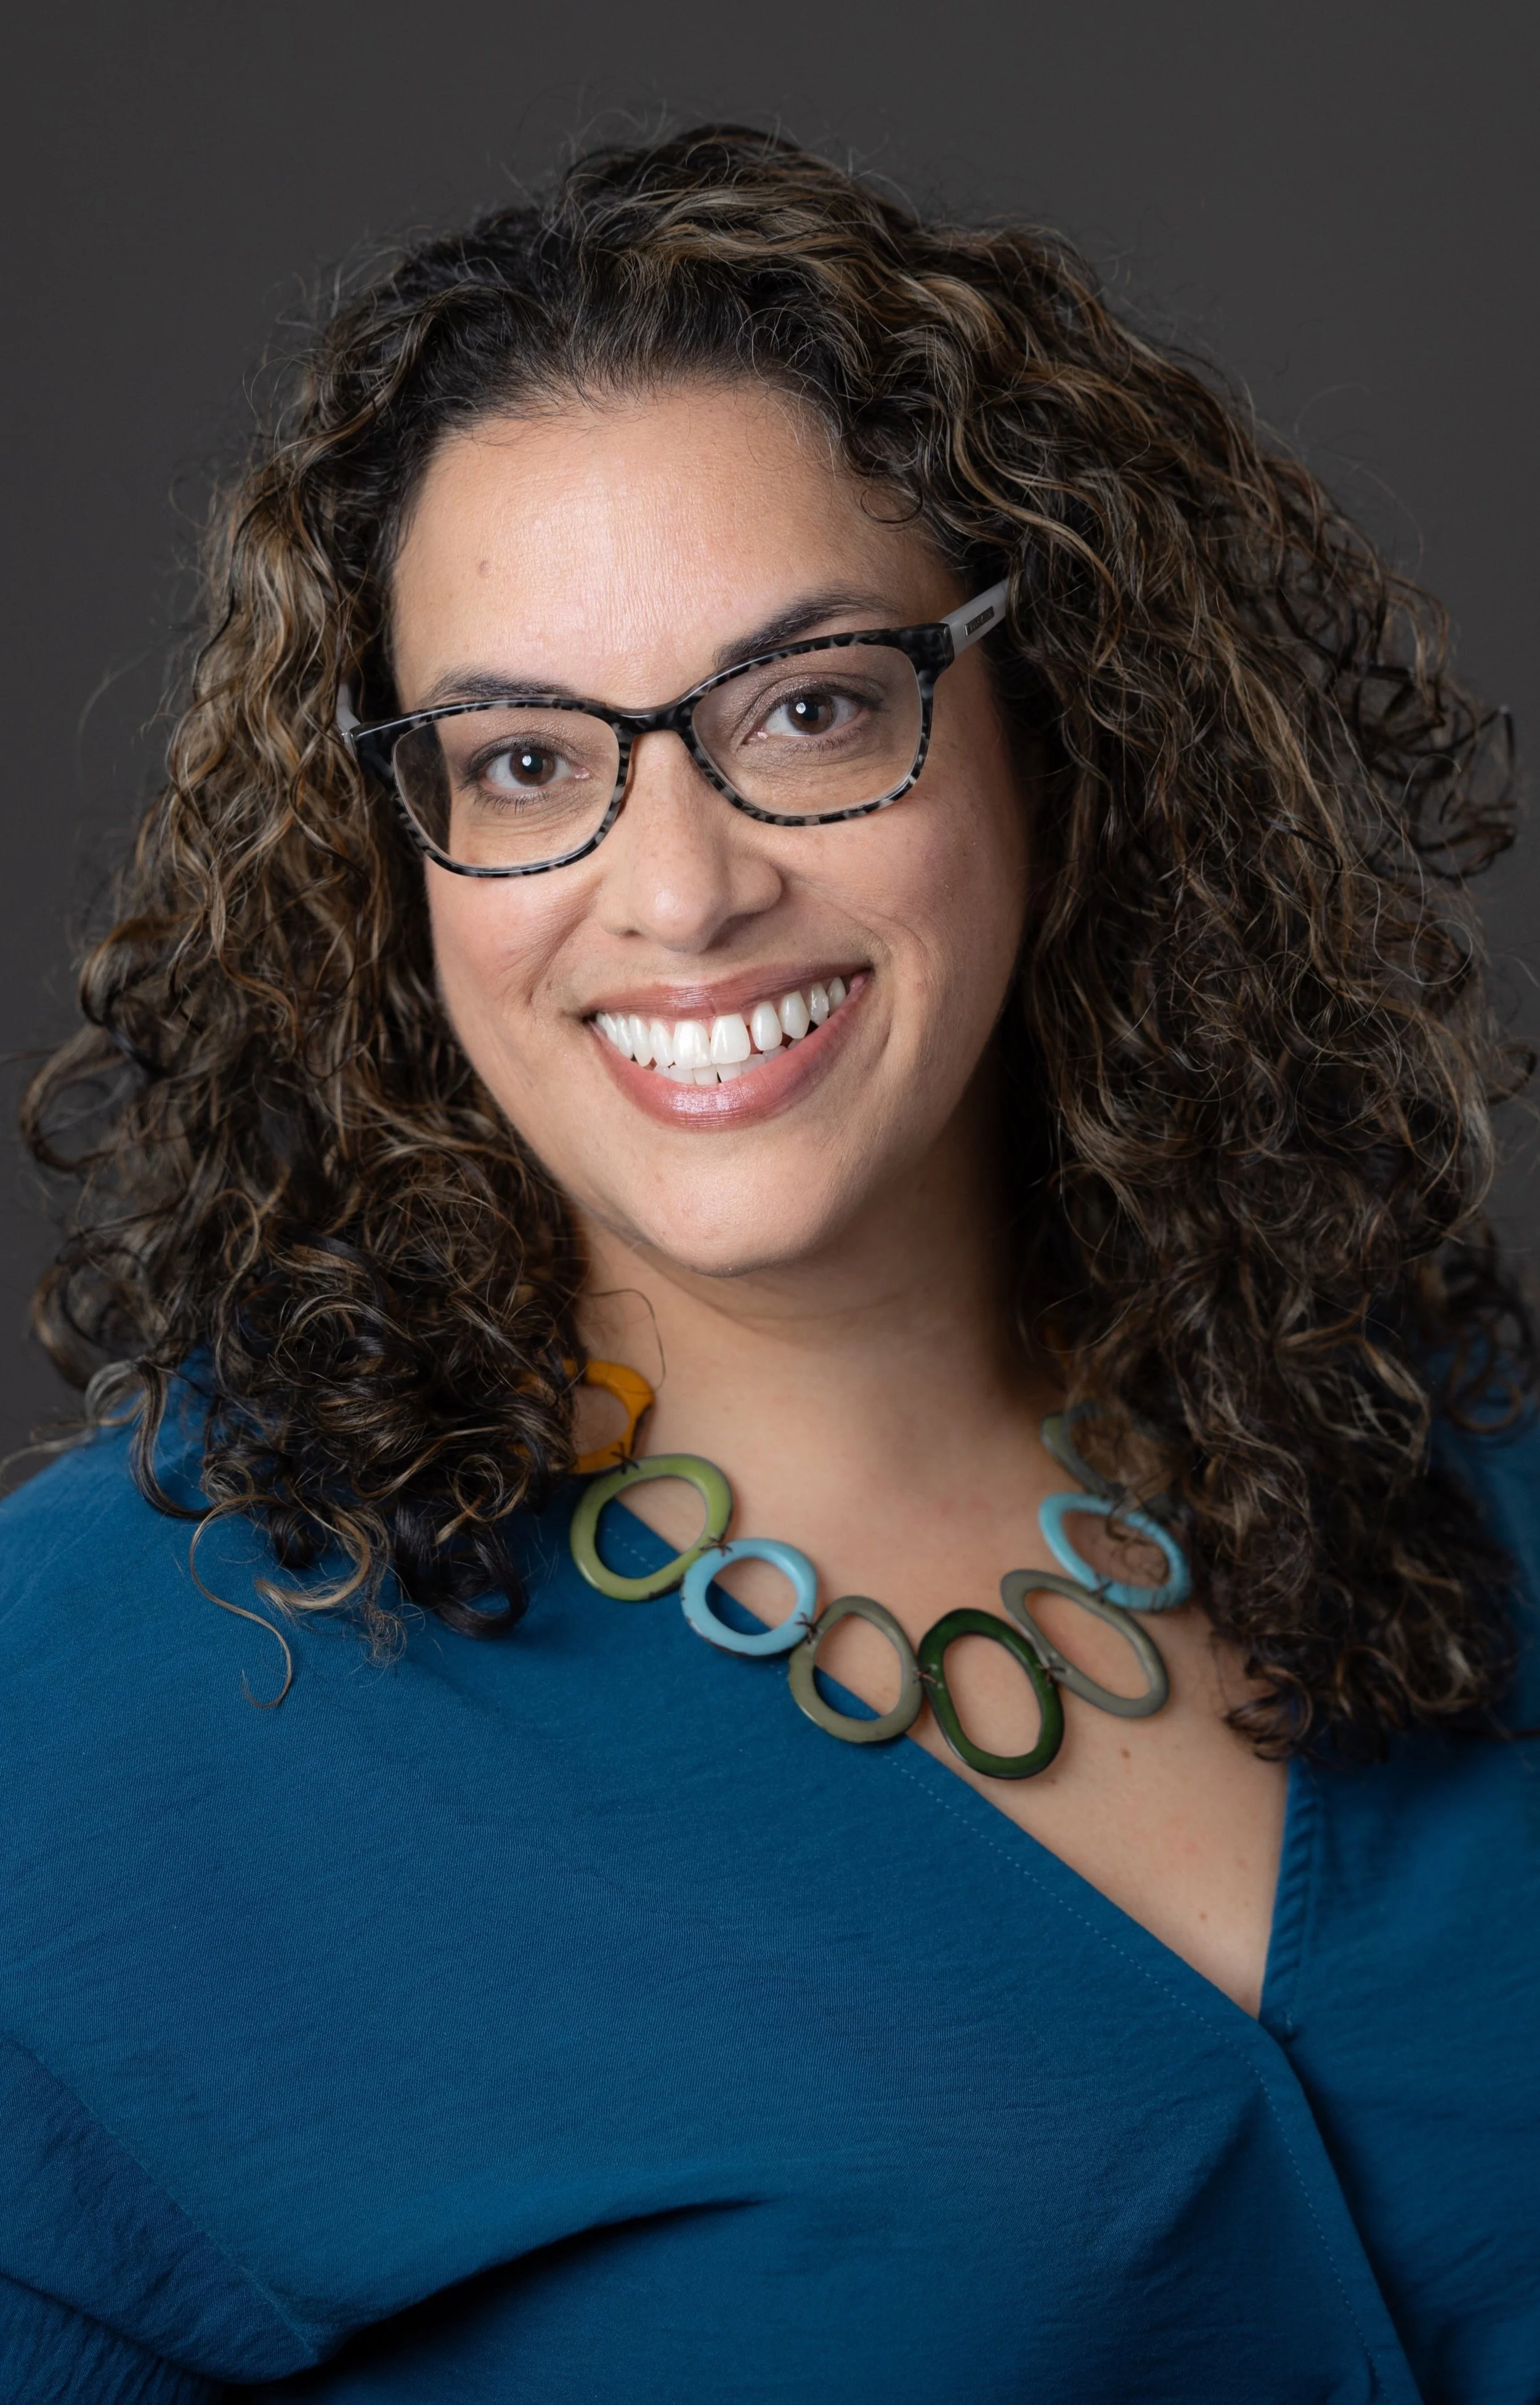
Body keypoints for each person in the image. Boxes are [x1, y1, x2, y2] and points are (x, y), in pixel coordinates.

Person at [2, 124, 1535, 2404]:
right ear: (394, 850)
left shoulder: (1448, 1476)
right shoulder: (102, 1701)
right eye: (524, 762)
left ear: (1051, 730)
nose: (683, 889)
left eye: (810, 706)